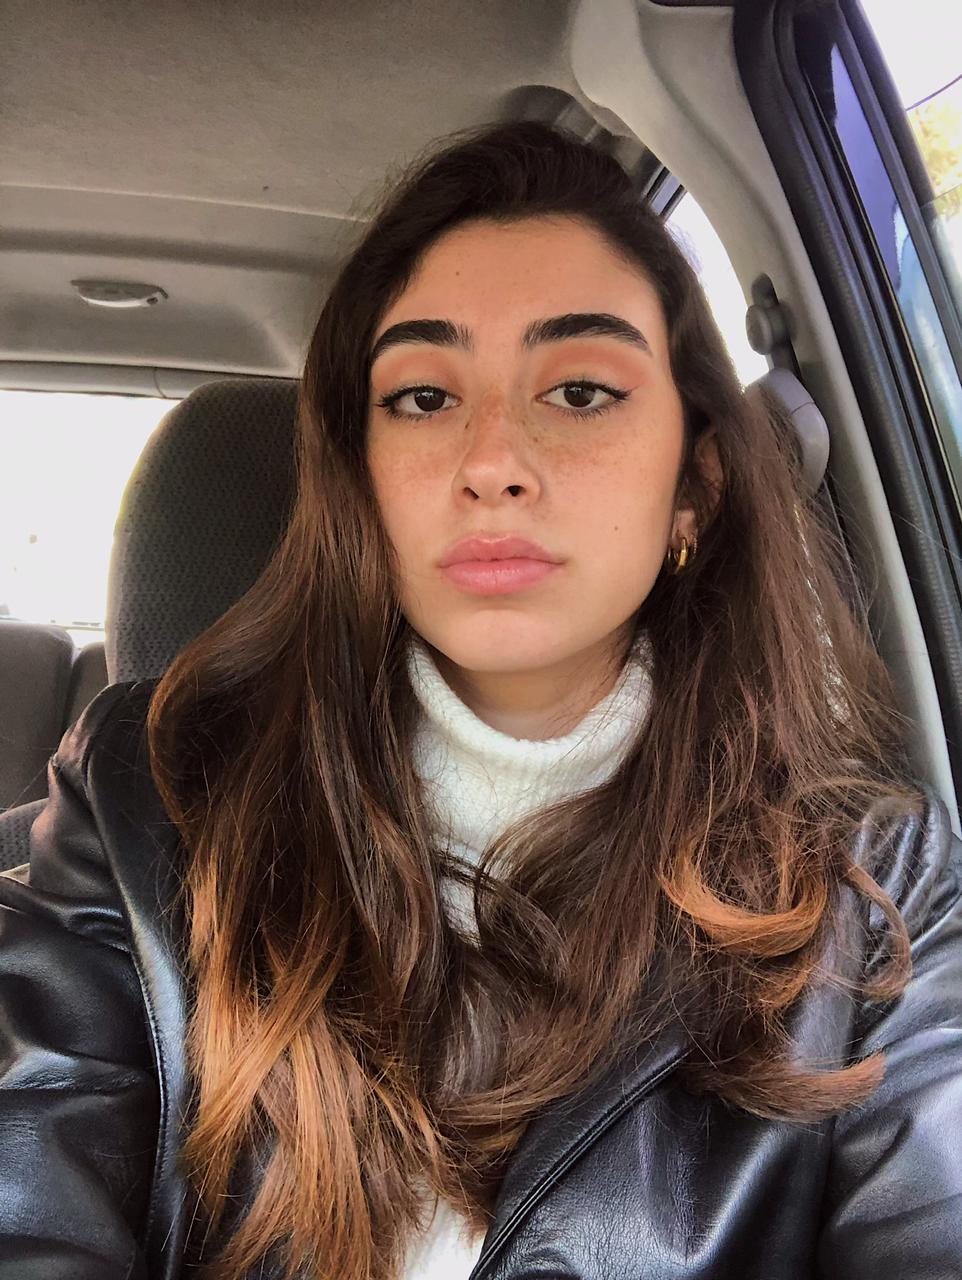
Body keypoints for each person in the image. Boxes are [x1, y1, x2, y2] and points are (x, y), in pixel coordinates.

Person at [1, 120, 960, 1280]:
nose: (491, 461)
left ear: (693, 486)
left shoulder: (875, 880)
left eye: (580, 389)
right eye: (421, 397)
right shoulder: (144, 794)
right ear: (358, 483)